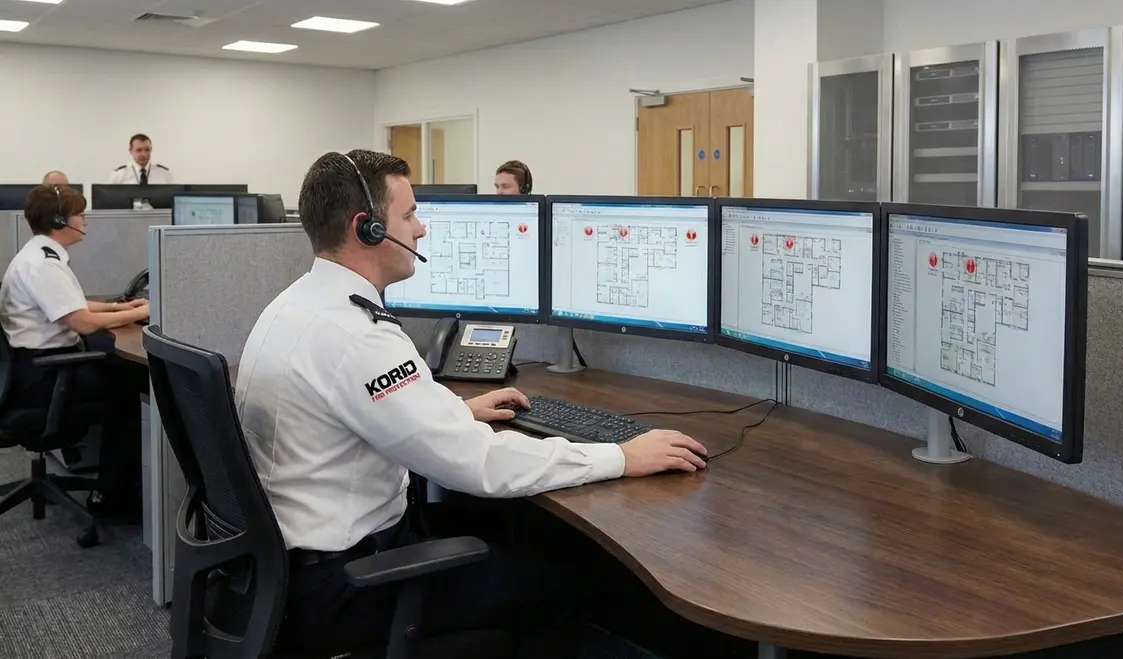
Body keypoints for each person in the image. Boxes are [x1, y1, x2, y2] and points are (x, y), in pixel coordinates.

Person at [234, 149, 708, 657]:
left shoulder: (294, 305)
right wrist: (621, 455)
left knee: (511, 538)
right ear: (367, 229)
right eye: (410, 215)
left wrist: (456, 412)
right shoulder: (359, 337)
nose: (421, 230)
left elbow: (363, 410)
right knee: (559, 582)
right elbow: (481, 464)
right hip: (349, 586)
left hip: (289, 573)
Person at [0, 184, 151, 520]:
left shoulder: (38, 255)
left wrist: (119, 308)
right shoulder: (44, 266)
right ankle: (111, 497)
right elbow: (81, 322)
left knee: (118, 366)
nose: (85, 220)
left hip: (30, 367)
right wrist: (143, 312)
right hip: (43, 376)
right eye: (80, 214)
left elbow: (73, 304)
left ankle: (116, 485)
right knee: (133, 387)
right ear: (59, 221)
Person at [107, 134, 173, 185]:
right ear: (130, 151)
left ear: (151, 150)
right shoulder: (119, 175)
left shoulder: (164, 174)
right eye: (139, 150)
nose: (143, 154)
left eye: (147, 150)